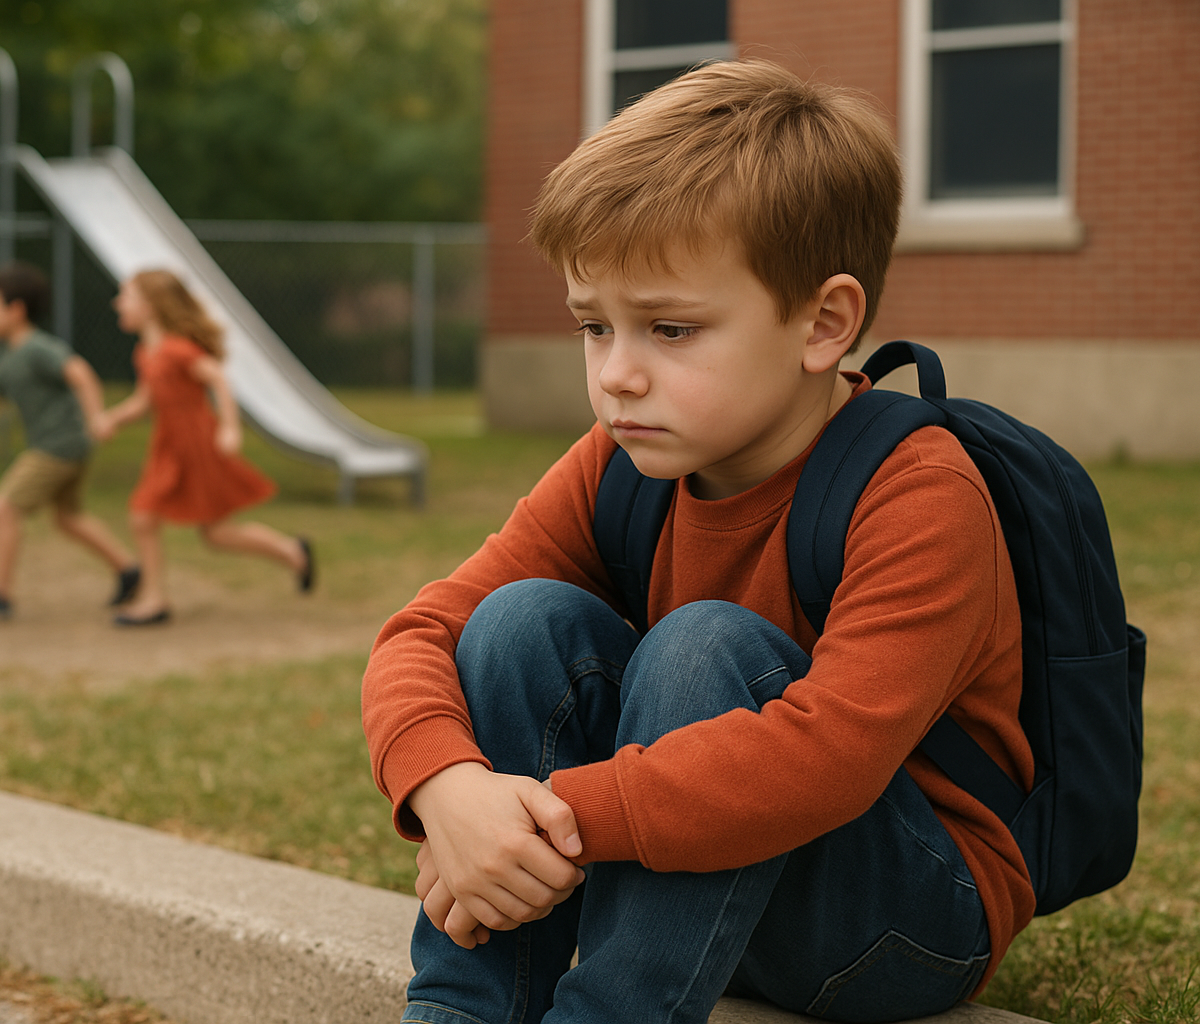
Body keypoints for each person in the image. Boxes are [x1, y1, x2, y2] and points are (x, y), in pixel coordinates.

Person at [360, 59, 1034, 1024]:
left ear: (823, 321)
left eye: (671, 329)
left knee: (703, 646)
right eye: (595, 326)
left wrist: (543, 823)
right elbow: (420, 632)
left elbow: (828, 758)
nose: (618, 376)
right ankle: (463, 1012)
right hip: (691, 885)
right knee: (519, 622)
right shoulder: (619, 463)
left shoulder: (917, 489)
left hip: (898, 920)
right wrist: (451, 790)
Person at [93, 269, 311, 627]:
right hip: (168, 445)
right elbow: (144, 401)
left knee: (215, 533)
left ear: (151, 305)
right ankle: (155, 598)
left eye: (126, 296)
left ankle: (291, 553)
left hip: (196, 445)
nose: (118, 303)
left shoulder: (177, 349)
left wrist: (228, 428)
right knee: (146, 517)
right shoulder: (146, 352)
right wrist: (113, 419)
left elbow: (218, 378)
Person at [0, 262, 140, 622]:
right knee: (69, 518)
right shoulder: (8, 357)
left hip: (59, 444)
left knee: (3, 507)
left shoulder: (37, 348)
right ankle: (129, 569)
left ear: (16, 310)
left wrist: (96, 417)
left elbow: (81, 374)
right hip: (67, 445)